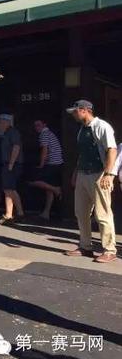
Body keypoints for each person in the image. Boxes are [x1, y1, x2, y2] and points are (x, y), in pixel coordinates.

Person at [64, 100, 118, 263]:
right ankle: (85, 246)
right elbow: (82, 154)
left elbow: (112, 149)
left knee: (102, 213)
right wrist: (75, 172)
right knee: (81, 212)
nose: (73, 114)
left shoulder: (102, 126)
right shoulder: (81, 130)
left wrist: (108, 174)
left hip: (99, 173)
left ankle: (109, 250)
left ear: (85, 110)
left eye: (75, 111)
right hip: (83, 173)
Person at [28, 120, 64, 220]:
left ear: (44, 125)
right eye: (35, 125)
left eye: (39, 125)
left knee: (33, 181)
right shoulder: (49, 134)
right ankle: (46, 213)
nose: (36, 127)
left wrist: (41, 164)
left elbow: (44, 150)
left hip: (52, 164)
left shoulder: (44, 134)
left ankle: (56, 190)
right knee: (48, 190)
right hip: (57, 163)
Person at [0, 115, 25, 225]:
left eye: (1, 122)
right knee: (7, 189)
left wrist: (11, 164)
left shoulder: (13, 132)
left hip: (12, 164)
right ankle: (8, 214)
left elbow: (16, 148)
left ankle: (20, 213)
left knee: (10, 189)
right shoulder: (6, 133)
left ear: (7, 122)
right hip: (7, 164)